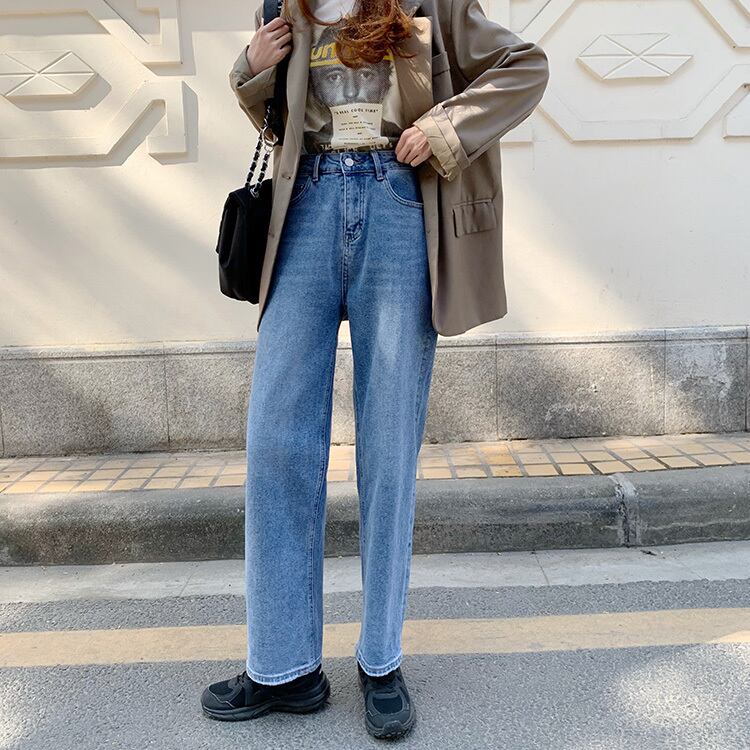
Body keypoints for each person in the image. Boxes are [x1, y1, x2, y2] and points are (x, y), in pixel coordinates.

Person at [202, 0, 549, 739]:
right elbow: (280, 126)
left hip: (397, 202)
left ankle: (381, 660)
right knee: (275, 442)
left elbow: (524, 67)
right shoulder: (286, 5)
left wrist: (445, 128)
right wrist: (250, 71)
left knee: (388, 447)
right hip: (305, 205)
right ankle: (284, 667)